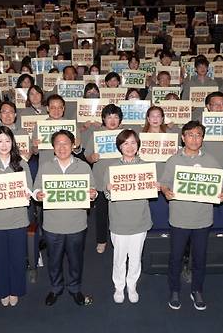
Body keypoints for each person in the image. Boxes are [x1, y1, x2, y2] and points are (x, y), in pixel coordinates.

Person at [161, 121, 223, 310]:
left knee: (199, 258)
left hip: (202, 219)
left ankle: (197, 289)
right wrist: (166, 191)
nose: (194, 138)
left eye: (198, 135)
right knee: (176, 257)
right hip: (179, 218)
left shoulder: (212, 161)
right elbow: (164, 183)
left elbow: (220, 188)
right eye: (190, 135)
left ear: (202, 138)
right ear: (183, 138)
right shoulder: (173, 160)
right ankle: (174, 289)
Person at [34, 130, 97, 306]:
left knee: (75, 260)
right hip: (52, 225)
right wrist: (38, 194)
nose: (62, 147)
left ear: (73, 145)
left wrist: (92, 194)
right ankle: (56, 288)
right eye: (58, 144)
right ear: (53, 147)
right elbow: (36, 188)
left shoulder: (83, 166)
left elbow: (92, 190)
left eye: (66, 143)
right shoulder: (46, 166)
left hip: (76, 224)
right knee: (54, 260)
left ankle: (75, 289)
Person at [0, 126, 33, 307]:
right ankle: (3, 290)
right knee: (0, 258)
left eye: (7, 141)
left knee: (17, 257)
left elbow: (29, 188)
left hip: (17, 218)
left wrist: (27, 193)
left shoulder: (21, 163)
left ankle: (16, 289)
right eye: (0, 141)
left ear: (13, 143)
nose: (4, 145)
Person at [102, 130, 154, 304]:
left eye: (133, 142)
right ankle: (119, 286)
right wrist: (109, 189)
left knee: (135, 257)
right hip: (119, 221)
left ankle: (132, 285)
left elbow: (152, 192)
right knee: (119, 258)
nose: (130, 147)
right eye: (125, 143)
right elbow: (107, 196)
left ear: (138, 145)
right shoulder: (112, 168)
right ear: (119, 146)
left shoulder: (147, 167)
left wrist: (154, 185)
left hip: (140, 220)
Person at [83, 104, 124, 253]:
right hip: (100, 180)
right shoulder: (96, 134)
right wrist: (91, 158)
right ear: (103, 119)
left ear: (120, 120)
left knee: (120, 213)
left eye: (116, 117)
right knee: (101, 213)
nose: (112, 120)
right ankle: (101, 240)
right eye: (109, 117)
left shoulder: (125, 135)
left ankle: (119, 239)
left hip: (120, 180)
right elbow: (87, 155)